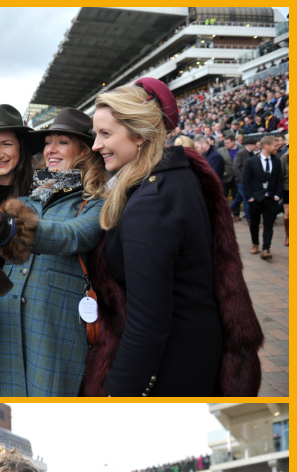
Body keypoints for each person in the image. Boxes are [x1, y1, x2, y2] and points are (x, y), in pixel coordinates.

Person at [81, 77, 262, 396]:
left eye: (105, 133)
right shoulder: (177, 179)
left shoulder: (151, 201)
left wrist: (118, 392)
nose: (96, 145)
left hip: (169, 369)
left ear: (139, 134)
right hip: (193, 354)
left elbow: (148, 323)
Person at [0, 108, 107, 396]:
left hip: (52, 333)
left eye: (62, 142)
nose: (50, 149)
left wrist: (1, 227)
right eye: (48, 142)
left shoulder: (96, 203)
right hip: (4, 327)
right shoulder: (27, 198)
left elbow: (71, 236)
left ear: (85, 151)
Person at [243, 134, 285, 260]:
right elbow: (246, 181)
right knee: (254, 223)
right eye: (275, 145)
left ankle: (266, 248)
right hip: (255, 199)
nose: (277, 147)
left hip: (271, 199)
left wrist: (278, 195)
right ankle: (255, 243)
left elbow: (279, 180)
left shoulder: (277, 161)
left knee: (269, 224)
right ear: (266, 146)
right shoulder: (251, 161)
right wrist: (250, 197)